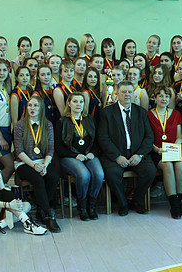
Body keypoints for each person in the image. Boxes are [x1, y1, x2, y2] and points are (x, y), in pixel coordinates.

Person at [97, 81, 156, 216]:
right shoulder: (107, 113)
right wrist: (117, 156)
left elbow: (149, 136)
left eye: (130, 92)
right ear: (117, 93)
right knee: (113, 174)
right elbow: (103, 138)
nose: (127, 94)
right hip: (116, 155)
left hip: (137, 154)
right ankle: (123, 203)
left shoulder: (141, 112)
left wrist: (139, 155)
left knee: (150, 171)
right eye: (123, 92)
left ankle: (137, 200)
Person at [13, 95, 61, 232]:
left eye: (36, 105)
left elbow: (50, 149)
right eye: (30, 105)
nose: (32, 108)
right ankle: (48, 215)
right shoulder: (20, 125)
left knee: (53, 176)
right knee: (38, 179)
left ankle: (41, 210)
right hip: (24, 162)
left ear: (41, 108)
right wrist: (34, 165)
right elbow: (19, 151)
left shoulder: (47, 124)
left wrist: (45, 165)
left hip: (42, 161)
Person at [55, 92, 103, 221]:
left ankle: (91, 205)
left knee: (99, 174)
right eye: (75, 101)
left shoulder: (90, 119)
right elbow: (58, 146)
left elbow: (97, 140)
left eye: (81, 102)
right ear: (69, 104)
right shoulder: (62, 121)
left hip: (89, 155)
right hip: (69, 157)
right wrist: (75, 155)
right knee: (84, 174)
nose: (78, 104)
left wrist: (93, 152)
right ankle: (82, 207)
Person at [147, 86, 182, 219]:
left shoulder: (176, 114)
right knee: (167, 165)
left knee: (180, 164)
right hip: (156, 151)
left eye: (167, 96)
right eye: (161, 96)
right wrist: (156, 149)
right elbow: (147, 138)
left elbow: (179, 136)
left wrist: (175, 147)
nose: (164, 99)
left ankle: (179, 201)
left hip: (172, 150)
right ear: (155, 98)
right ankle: (174, 205)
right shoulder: (148, 115)